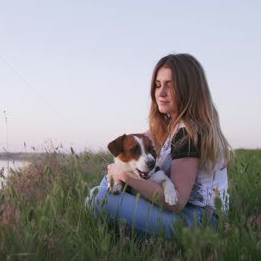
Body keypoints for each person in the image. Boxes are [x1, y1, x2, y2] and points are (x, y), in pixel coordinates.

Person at [85, 53, 232, 238]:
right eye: (157, 85)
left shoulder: (187, 133)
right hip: (190, 216)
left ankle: (123, 234)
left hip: (197, 223)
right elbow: (138, 142)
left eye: (170, 86)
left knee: (98, 197)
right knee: (107, 184)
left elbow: (176, 203)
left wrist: (125, 176)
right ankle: (121, 232)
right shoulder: (174, 126)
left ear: (188, 89)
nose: (160, 93)